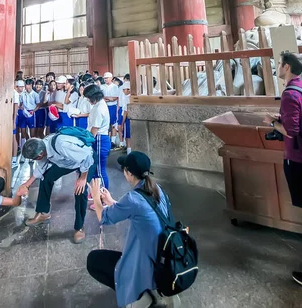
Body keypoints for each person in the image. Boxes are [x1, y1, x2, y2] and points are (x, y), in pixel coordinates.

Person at [87, 151, 180, 308]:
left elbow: (104, 218)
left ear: (129, 173)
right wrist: (110, 201)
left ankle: (138, 297)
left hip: (147, 262)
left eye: (124, 169)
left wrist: (96, 198)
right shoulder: (157, 188)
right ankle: (149, 290)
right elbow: (140, 211)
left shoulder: (133, 198)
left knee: (94, 261)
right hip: (165, 254)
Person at [264, 52, 302, 287]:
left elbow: (291, 131)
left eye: (280, 64)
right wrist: (281, 118)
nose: (278, 67)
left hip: (299, 159)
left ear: (287, 67)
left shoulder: (289, 94)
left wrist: (273, 123)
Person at [17, 134, 96, 243]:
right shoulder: (42, 147)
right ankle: (43, 214)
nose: (35, 160)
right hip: (68, 161)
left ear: (40, 154)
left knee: (80, 190)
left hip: (87, 160)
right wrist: (26, 185)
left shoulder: (61, 145)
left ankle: (79, 227)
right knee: (46, 178)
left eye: (34, 158)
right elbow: (40, 169)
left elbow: (86, 157)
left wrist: (82, 178)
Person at [83, 84, 111, 191]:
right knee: (94, 168)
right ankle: (96, 193)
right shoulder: (98, 104)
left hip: (99, 140)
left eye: (88, 98)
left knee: (99, 170)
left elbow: (94, 129)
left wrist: (87, 142)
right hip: (97, 139)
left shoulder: (99, 108)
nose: (88, 100)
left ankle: (103, 196)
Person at [18, 79, 40, 159]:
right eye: (26, 85)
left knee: (32, 133)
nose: (27, 87)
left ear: (31, 85)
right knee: (23, 131)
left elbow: (38, 105)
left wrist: (33, 111)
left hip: (31, 113)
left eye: (28, 85)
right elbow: (20, 104)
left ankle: (32, 151)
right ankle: (26, 147)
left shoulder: (35, 95)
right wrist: (21, 107)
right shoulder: (23, 94)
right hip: (24, 113)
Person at [102, 72, 120, 149]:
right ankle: (107, 141)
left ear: (111, 78)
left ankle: (113, 141)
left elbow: (115, 98)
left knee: (113, 124)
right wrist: (109, 98)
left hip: (113, 107)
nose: (105, 79)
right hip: (105, 106)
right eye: (104, 78)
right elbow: (102, 97)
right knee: (106, 124)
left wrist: (108, 98)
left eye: (107, 78)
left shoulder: (115, 87)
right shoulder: (102, 87)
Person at [119, 79, 131, 154]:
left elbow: (125, 112)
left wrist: (122, 123)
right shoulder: (126, 96)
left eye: (124, 90)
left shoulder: (128, 98)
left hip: (127, 118)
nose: (123, 91)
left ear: (128, 89)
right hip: (127, 117)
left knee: (128, 135)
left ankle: (129, 151)